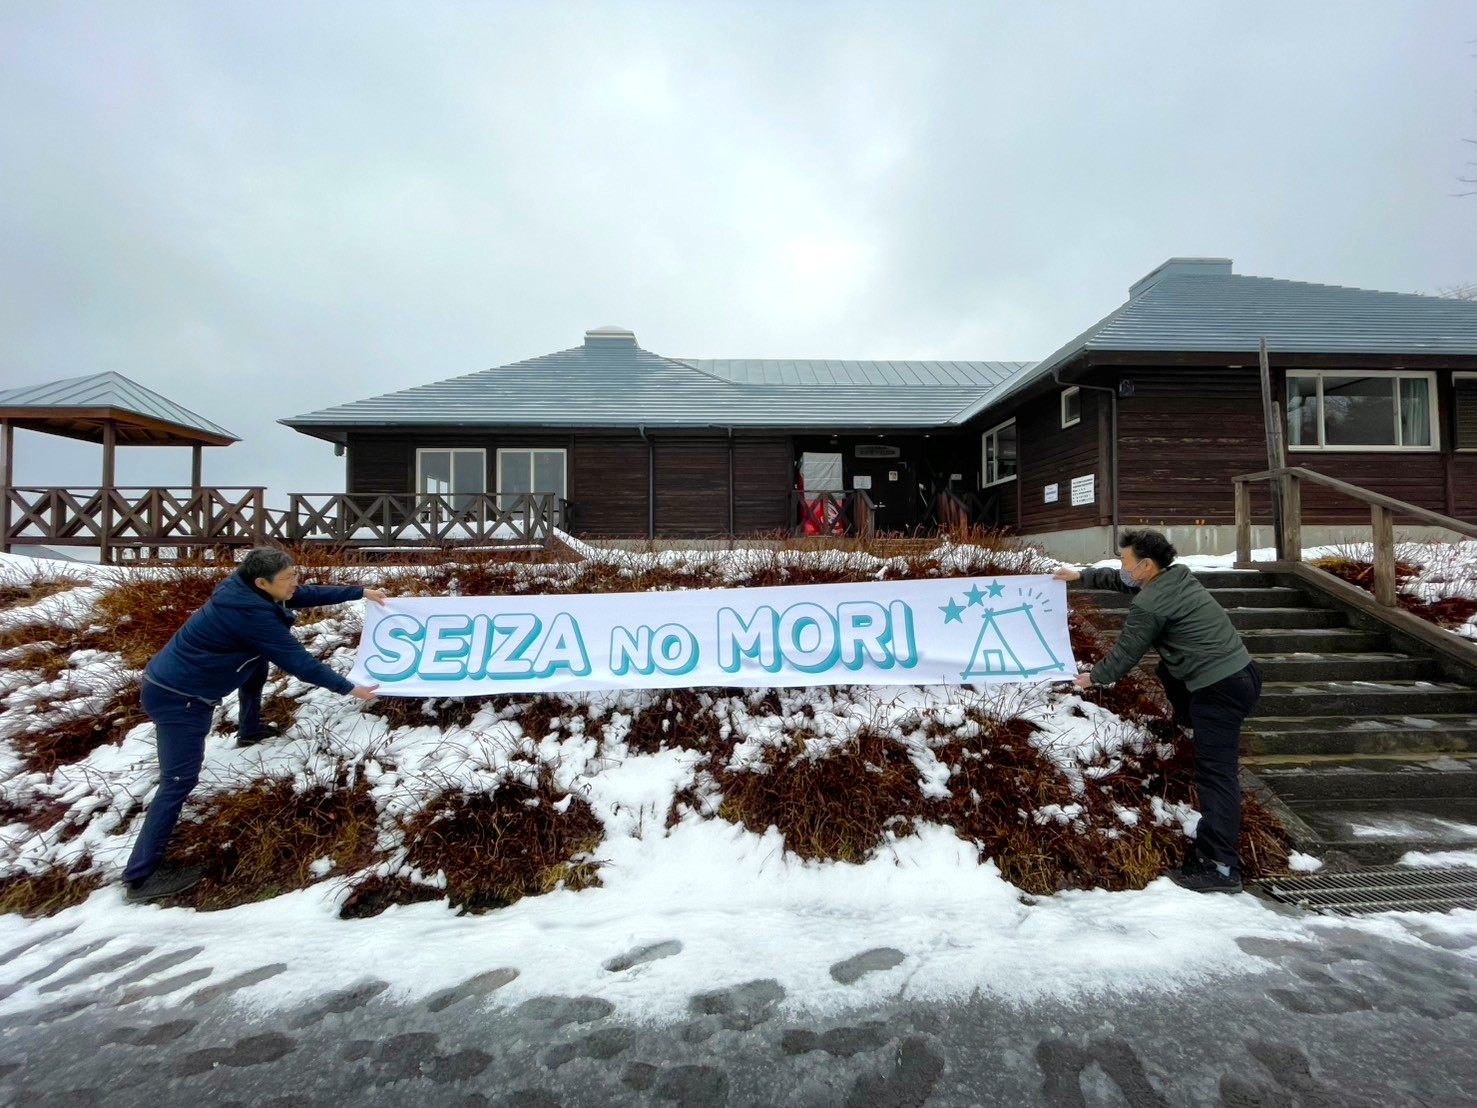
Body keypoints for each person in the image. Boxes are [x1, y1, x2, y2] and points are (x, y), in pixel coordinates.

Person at [122, 548, 385, 902]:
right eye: (287, 579)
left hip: (180, 682)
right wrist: (351, 688)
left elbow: (302, 594)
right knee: (178, 781)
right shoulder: (251, 617)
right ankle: (141, 877)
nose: (295, 583)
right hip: (179, 698)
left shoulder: (247, 591)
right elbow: (300, 663)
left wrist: (359, 592)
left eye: (295, 574)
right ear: (262, 582)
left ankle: (250, 730)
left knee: (255, 662)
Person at [1054, 530, 1262, 894]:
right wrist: (1081, 576)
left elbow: (1127, 652)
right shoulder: (1174, 578)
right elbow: (1127, 585)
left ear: (1146, 565)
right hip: (1240, 675)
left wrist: (1093, 678)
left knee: (1216, 775)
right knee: (1168, 668)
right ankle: (1186, 723)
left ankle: (1220, 866)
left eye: (1125, 562)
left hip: (1218, 691)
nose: (1122, 568)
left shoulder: (1151, 605)